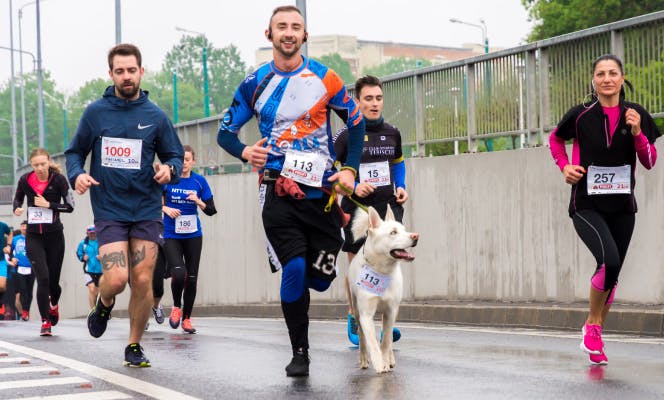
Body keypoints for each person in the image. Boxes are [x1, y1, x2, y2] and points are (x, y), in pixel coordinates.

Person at [217, 5, 365, 377]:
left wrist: (349, 168)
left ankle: (313, 287)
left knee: (319, 278)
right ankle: (300, 352)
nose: (288, 32)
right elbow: (224, 133)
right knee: (295, 268)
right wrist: (245, 151)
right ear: (269, 35)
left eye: (295, 27)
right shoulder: (255, 83)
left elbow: (358, 125)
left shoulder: (326, 78)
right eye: (281, 27)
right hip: (277, 192)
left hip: (323, 195)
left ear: (304, 35)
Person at [65, 43, 183, 367]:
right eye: (120, 71)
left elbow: (174, 155)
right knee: (116, 279)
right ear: (111, 74)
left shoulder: (156, 116)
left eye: (132, 70)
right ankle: (104, 304)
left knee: (143, 280)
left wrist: (168, 169)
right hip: (110, 209)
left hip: (146, 207)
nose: (127, 76)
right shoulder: (95, 113)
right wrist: (77, 175)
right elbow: (74, 152)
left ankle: (133, 345)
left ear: (141, 72)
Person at [549, 54, 660, 366]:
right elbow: (555, 141)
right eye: (601, 74)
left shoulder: (636, 114)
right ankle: (593, 327)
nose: (607, 78)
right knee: (608, 261)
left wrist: (638, 134)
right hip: (586, 203)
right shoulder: (581, 115)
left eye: (613, 73)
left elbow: (650, 162)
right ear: (594, 81)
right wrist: (565, 166)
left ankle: (592, 329)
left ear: (622, 79)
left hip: (623, 206)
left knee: (612, 273)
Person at [333, 75, 408, 346]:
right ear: (357, 101)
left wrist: (401, 186)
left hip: (388, 208)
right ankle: (356, 317)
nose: (374, 104)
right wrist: (352, 187)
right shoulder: (345, 136)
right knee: (358, 266)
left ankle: (386, 319)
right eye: (368, 98)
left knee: (388, 264)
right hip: (357, 209)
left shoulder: (392, 132)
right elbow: (330, 171)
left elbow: (398, 163)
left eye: (378, 98)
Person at [13, 148, 74, 335]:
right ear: (31, 165)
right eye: (36, 165)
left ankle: (53, 304)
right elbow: (17, 200)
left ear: (48, 162)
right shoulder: (25, 181)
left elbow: (70, 206)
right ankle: (45, 321)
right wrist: (17, 209)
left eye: (43, 164)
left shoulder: (59, 180)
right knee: (43, 278)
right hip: (33, 236)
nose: (39, 168)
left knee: (54, 283)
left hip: (54, 236)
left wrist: (49, 205)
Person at [161, 144, 217, 334]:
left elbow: (211, 210)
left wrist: (198, 201)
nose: (184, 163)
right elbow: (153, 202)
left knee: (191, 278)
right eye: (181, 160)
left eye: (187, 160)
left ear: (193, 161)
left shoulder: (199, 182)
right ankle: (176, 307)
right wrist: (166, 209)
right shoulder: (168, 180)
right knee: (178, 273)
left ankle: (187, 319)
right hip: (171, 234)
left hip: (193, 235)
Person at [10, 221, 34, 321]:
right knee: (23, 290)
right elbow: (9, 251)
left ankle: (27, 310)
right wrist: (12, 258)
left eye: (26, 226)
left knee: (29, 291)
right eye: (22, 226)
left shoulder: (33, 239)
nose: (24, 228)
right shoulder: (15, 239)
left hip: (31, 268)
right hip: (19, 268)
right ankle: (24, 312)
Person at [76, 225, 101, 310]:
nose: (92, 235)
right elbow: (79, 253)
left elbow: (109, 254)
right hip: (88, 270)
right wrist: (83, 257)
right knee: (92, 289)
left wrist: (103, 257)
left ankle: (101, 310)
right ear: (87, 233)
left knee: (99, 292)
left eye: (94, 233)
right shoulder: (83, 244)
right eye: (90, 233)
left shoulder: (102, 242)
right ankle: (93, 311)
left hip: (101, 270)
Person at [0, 221, 13, 320]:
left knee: (2, 286)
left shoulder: (2, 225)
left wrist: (8, 245)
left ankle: (0, 303)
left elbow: (10, 233)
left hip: (1, 260)